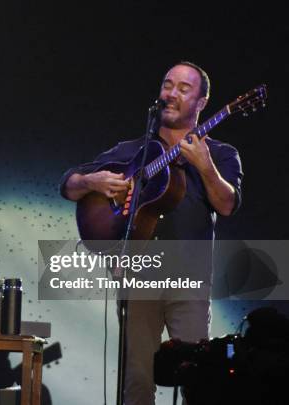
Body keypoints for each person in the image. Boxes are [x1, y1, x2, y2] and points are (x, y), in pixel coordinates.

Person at [59, 62, 243, 404]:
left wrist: (205, 167)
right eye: (167, 85)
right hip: (138, 277)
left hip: (188, 280)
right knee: (137, 382)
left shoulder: (220, 154)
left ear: (201, 102)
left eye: (183, 89)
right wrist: (91, 181)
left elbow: (228, 205)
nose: (171, 94)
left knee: (198, 381)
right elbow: (68, 184)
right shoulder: (132, 150)